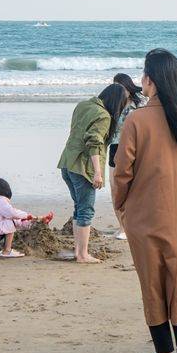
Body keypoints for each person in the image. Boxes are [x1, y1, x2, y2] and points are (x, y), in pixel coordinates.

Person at [112, 49, 177, 353]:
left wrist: (121, 205)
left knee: (153, 285)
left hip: (144, 213)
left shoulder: (137, 119)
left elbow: (123, 172)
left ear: (150, 79)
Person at [58, 84, 128, 263]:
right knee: (86, 211)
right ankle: (82, 254)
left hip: (67, 162)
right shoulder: (104, 115)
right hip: (83, 167)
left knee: (79, 208)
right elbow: (94, 142)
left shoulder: (83, 105)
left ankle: (78, 251)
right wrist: (98, 172)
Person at [0, 178, 53, 258]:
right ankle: (7, 251)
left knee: (11, 220)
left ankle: (36, 222)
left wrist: (33, 219)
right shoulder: (0, 201)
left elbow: (15, 218)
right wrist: (27, 216)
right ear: (6, 190)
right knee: (9, 222)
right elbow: (13, 214)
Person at [108, 73, 144, 241]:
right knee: (115, 188)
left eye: (120, 86)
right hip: (115, 148)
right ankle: (122, 226)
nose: (118, 90)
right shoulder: (113, 105)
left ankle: (131, 226)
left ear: (128, 86)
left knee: (132, 190)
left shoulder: (139, 104)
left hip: (133, 148)